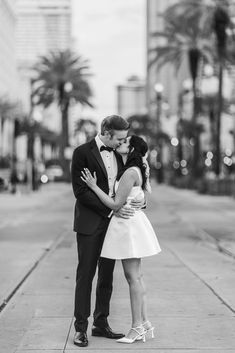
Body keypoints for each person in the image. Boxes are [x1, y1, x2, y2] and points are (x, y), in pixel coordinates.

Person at [71, 115, 144, 347]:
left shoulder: (120, 154)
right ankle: (80, 328)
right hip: (91, 223)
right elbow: (81, 191)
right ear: (107, 132)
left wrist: (139, 202)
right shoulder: (82, 152)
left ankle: (101, 323)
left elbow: (129, 186)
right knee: (86, 275)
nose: (122, 143)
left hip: (114, 226)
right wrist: (110, 211)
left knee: (106, 276)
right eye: (119, 138)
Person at [81, 135, 161, 344]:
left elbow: (116, 205)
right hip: (131, 225)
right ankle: (144, 323)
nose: (120, 143)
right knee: (137, 276)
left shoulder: (129, 173)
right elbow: (138, 198)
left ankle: (136, 328)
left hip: (128, 227)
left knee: (132, 277)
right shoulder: (135, 170)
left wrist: (93, 186)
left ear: (131, 149)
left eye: (125, 142)